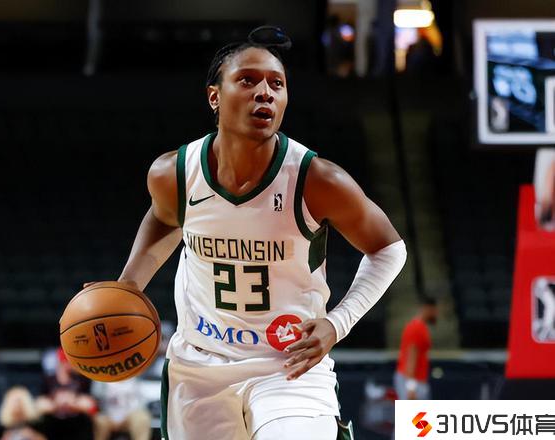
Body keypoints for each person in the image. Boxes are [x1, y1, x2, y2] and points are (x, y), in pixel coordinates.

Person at [103, 26, 406, 439]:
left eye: (276, 84)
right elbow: (165, 218)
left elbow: (389, 248)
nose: (265, 92)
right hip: (201, 364)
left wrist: (337, 323)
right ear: (214, 96)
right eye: (247, 80)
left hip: (288, 363)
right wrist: (128, 286)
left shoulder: (317, 179)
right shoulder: (173, 173)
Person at [36, 349, 95, 440]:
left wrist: (73, 403)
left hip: (77, 420)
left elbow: (90, 404)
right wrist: (56, 403)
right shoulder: (49, 379)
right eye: (68, 362)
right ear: (61, 362)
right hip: (53, 420)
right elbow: (40, 403)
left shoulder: (81, 379)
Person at [394, 297, 438, 400]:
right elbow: (411, 356)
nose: (436, 314)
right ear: (428, 308)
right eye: (435, 311)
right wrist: (411, 387)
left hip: (413, 379)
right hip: (411, 380)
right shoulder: (417, 328)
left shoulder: (419, 326)